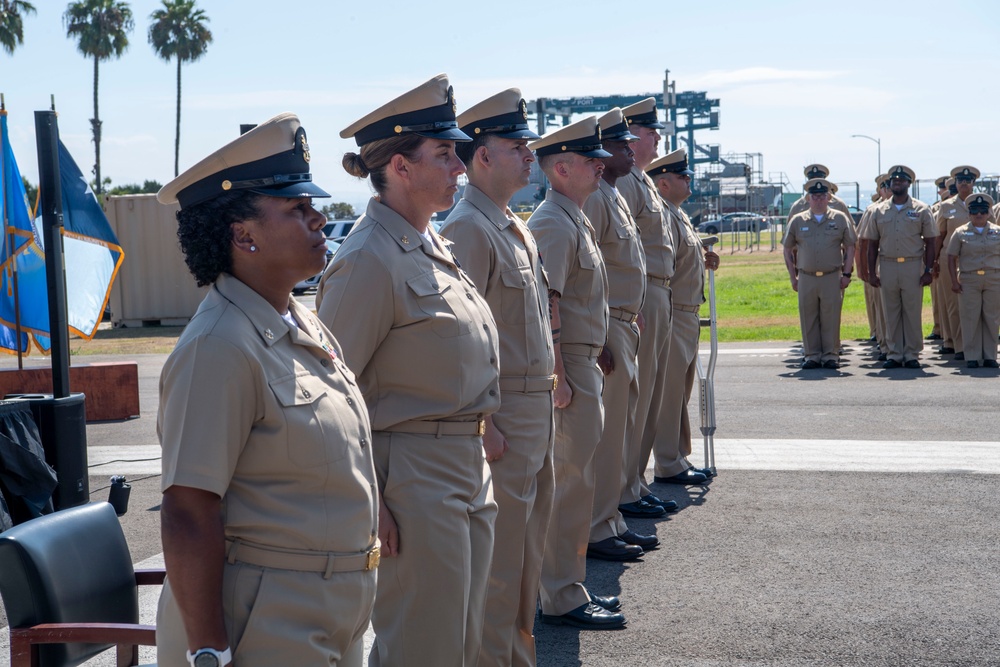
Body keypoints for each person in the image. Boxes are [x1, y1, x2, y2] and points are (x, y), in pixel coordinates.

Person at [155, 113, 379, 667]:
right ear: (243, 234)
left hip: (336, 604)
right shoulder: (219, 346)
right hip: (269, 615)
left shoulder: (300, 320)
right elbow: (188, 508)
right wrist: (209, 649)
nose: (319, 219)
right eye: (297, 210)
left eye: (313, 206)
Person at [316, 74, 500, 667]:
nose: (460, 167)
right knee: (424, 645)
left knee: (465, 638)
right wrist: (371, 501)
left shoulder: (429, 242)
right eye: (444, 155)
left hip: (464, 465)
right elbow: (332, 398)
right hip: (413, 475)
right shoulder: (367, 257)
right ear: (399, 165)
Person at [437, 88, 555, 667]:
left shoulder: (513, 224)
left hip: (535, 412)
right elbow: (463, 341)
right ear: (481, 156)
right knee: (501, 569)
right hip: (504, 418)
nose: (530, 155)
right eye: (517, 146)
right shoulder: (468, 229)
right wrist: (484, 423)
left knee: (527, 562)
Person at [527, 116, 625, 630]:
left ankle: (567, 586)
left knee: (578, 481)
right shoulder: (553, 222)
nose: (601, 164)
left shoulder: (575, 217)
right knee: (569, 483)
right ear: (561, 168)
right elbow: (548, 304)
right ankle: (561, 595)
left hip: (585, 361)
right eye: (590, 160)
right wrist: (561, 375)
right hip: (570, 370)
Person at [581, 108, 658, 562]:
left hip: (624, 320)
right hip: (607, 325)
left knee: (622, 428)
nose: (630, 149)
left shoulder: (612, 194)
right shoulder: (596, 198)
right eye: (621, 144)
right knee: (607, 437)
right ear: (601, 152)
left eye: (632, 142)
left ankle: (610, 519)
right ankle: (597, 526)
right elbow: (581, 277)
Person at [616, 97, 678, 519]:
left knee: (651, 394)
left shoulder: (640, 181)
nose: (657, 140)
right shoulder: (625, 183)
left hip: (658, 291)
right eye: (652, 133)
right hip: (644, 297)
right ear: (634, 135)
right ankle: (625, 488)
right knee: (635, 401)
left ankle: (635, 482)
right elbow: (619, 251)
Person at [646, 148, 720, 485]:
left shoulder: (677, 213)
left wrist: (703, 258)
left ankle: (677, 457)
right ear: (663, 183)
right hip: (674, 313)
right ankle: (667, 462)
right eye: (682, 176)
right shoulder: (662, 214)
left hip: (688, 314)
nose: (688, 180)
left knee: (681, 392)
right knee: (670, 393)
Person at [862, 165, 937, 369]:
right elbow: (872, 245)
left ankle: (912, 353)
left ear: (908, 183)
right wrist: (871, 272)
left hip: (912, 265)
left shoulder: (921, 209)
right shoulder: (879, 210)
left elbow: (931, 242)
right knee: (890, 311)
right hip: (887, 264)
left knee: (912, 311)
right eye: (894, 180)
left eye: (901, 180)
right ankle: (894, 353)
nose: (897, 183)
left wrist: (929, 270)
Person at [782, 178, 857, 369]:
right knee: (808, 317)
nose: (818, 200)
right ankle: (812, 355)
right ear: (808, 198)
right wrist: (793, 277)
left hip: (831, 275)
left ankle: (831, 355)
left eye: (822, 196)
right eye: (814, 196)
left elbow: (850, 246)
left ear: (828, 197)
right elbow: (787, 249)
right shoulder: (798, 221)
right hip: (806, 276)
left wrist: (846, 274)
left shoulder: (839, 218)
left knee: (831, 316)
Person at [946, 193, 1000, 369]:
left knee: (991, 318)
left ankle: (990, 355)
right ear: (969, 213)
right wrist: (954, 281)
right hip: (969, 279)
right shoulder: (960, 232)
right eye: (975, 211)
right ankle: (972, 356)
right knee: (970, 318)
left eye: (983, 211)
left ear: (989, 213)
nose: (979, 215)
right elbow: (951, 257)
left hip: (993, 278)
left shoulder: (997, 232)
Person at [935, 165, 981, 360]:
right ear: (955, 183)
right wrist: (934, 261)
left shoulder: (982, 204)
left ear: (973, 184)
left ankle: (975, 343)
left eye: (967, 181)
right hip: (949, 257)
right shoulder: (946, 206)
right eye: (960, 181)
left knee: (975, 303)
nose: (964, 184)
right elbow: (939, 235)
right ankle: (956, 344)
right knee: (953, 302)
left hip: (975, 257)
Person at [857, 174, 891, 359]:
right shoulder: (874, 210)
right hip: (879, 263)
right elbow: (862, 242)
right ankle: (883, 341)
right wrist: (863, 269)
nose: (888, 189)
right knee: (881, 308)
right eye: (885, 186)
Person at [927, 175, 951, 343]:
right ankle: (943, 332)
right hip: (945, 256)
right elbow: (936, 236)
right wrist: (933, 261)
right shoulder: (939, 208)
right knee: (943, 299)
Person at [787, 164, 853, 219]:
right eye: (813, 180)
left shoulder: (838, 204)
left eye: (819, 179)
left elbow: (849, 229)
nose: (816, 182)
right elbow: (789, 231)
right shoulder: (797, 207)